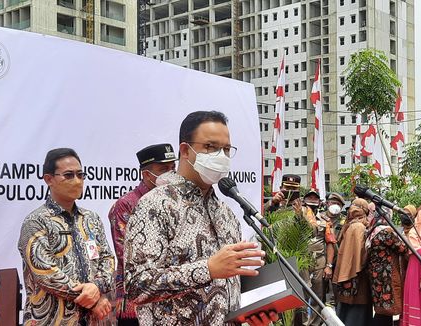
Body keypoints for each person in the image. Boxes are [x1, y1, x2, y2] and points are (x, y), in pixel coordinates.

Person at [124, 111, 277, 325]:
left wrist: (250, 314)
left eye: (225, 149)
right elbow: (135, 286)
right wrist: (208, 269)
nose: (221, 156)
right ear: (185, 150)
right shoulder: (155, 205)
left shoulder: (226, 213)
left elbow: (229, 288)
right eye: (210, 147)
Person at [18, 148, 115, 324]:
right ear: (49, 179)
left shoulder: (91, 219)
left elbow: (106, 258)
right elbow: (45, 273)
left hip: (94, 319)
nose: (77, 181)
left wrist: (97, 286)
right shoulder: (36, 222)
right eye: (68, 175)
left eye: (80, 174)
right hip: (51, 320)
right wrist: (92, 299)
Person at [108, 143, 177, 325]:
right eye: (164, 169)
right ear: (146, 174)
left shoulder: (175, 201)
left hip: (173, 298)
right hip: (137, 300)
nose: (171, 174)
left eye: (173, 168)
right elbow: (128, 255)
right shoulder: (126, 204)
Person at [293, 189, 336, 326]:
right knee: (301, 294)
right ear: (304, 200)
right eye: (309, 198)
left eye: (315, 198)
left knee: (318, 296)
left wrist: (329, 266)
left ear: (319, 202)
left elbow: (330, 243)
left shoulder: (325, 220)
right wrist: (299, 214)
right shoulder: (296, 216)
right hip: (302, 260)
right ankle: (302, 323)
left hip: (319, 260)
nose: (312, 200)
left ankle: (315, 324)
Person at [332, 198, 372, 326]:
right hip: (357, 276)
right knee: (356, 311)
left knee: (347, 309)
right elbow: (361, 255)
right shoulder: (359, 226)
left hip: (348, 275)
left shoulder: (351, 225)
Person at [366, 207, 407, 326]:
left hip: (376, 273)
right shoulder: (385, 231)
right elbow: (402, 248)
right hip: (387, 274)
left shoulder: (373, 230)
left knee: (382, 307)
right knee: (387, 308)